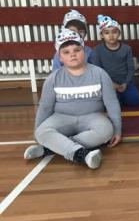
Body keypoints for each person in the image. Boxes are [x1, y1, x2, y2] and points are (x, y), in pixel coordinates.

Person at [24, 28, 121, 169]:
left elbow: (112, 104)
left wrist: (117, 129)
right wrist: (37, 132)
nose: (72, 54)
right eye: (66, 52)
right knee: (41, 132)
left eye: (77, 50)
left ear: (84, 51)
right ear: (60, 57)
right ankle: (82, 155)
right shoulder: (53, 79)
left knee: (106, 130)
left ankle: (51, 148)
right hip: (62, 117)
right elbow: (45, 107)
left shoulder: (100, 74)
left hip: (92, 116)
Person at [91, 14, 139, 107]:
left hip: (125, 83)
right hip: (107, 84)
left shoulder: (126, 49)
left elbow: (131, 68)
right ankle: (118, 98)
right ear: (102, 35)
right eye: (107, 33)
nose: (111, 36)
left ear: (119, 33)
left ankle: (123, 96)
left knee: (135, 101)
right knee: (111, 104)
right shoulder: (97, 50)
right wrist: (111, 84)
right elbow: (98, 70)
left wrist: (126, 83)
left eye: (114, 32)